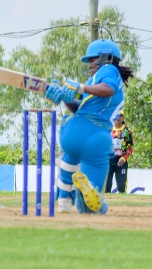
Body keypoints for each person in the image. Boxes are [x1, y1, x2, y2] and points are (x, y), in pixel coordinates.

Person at [44, 39, 132, 214]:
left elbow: (107, 89)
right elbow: (100, 94)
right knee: (93, 205)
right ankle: (93, 198)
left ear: (105, 57)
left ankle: (65, 198)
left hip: (73, 131)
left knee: (70, 164)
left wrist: (80, 88)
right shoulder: (105, 74)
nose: (90, 64)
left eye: (92, 60)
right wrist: (64, 95)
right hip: (97, 136)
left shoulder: (107, 70)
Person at [105, 111, 134, 194]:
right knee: (107, 185)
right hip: (108, 160)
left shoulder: (127, 131)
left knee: (121, 186)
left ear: (123, 118)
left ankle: (123, 205)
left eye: (120, 115)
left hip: (121, 161)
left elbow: (130, 147)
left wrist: (124, 158)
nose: (118, 117)